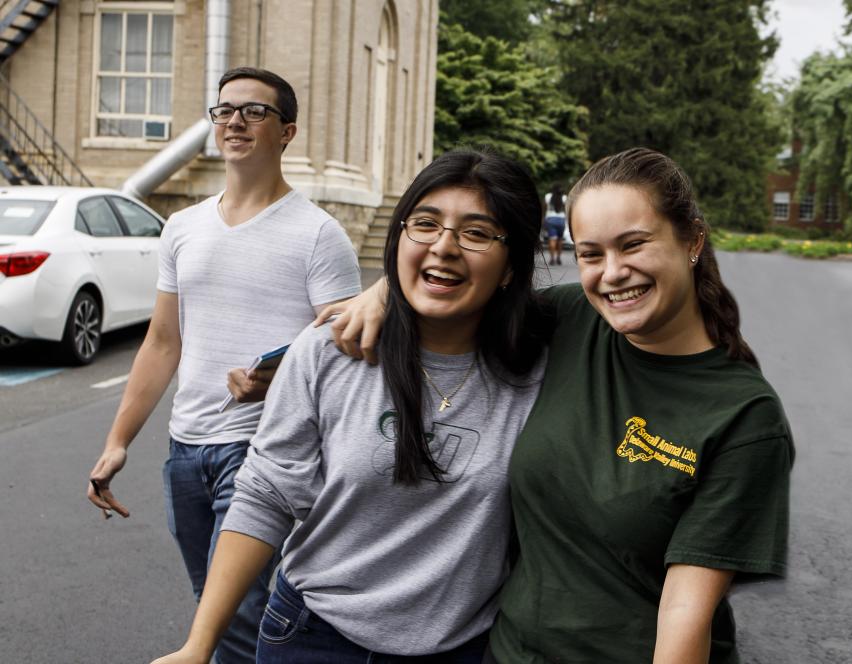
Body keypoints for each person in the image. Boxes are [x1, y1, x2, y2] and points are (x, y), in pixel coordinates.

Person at [328, 147, 793, 663]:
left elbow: (685, 612)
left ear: (693, 240)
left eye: (633, 245)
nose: (612, 273)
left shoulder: (744, 416)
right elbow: (462, 293)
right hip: (506, 653)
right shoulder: (573, 319)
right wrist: (387, 288)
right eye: (591, 254)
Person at [152, 148, 553, 664]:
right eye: (425, 224)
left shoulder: (545, 364)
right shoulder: (329, 349)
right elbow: (266, 492)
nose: (444, 247)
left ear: (509, 267)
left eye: (476, 233)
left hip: (464, 647)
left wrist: (386, 287)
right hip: (314, 636)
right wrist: (198, 645)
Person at [86, 67, 361, 663]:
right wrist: (118, 441)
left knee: (238, 616)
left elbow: (348, 352)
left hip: (263, 450)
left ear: (287, 132)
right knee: (211, 603)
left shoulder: (318, 234)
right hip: (186, 452)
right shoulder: (183, 228)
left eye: (254, 111)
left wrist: (279, 379)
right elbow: (163, 343)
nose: (235, 121)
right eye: (224, 110)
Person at [543, 182, 567, 265]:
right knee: (560, 240)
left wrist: (544, 219)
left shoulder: (548, 196)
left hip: (550, 219)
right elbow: (565, 209)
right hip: (561, 220)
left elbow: (545, 208)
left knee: (552, 239)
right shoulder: (564, 198)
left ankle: (552, 258)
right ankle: (558, 258)